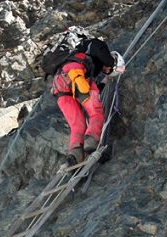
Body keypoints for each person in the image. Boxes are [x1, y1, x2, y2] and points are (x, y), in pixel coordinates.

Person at [51, 38, 119, 166]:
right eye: (108, 69)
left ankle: (75, 154)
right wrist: (112, 64)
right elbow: (88, 94)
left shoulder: (76, 56)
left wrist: (104, 82)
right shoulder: (95, 44)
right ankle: (91, 142)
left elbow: (91, 93)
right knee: (96, 113)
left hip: (59, 84)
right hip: (77, 75)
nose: (106, 70)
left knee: (78, 124)